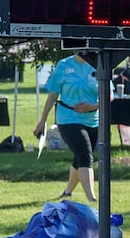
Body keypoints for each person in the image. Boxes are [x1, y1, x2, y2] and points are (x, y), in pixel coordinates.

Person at [34, 50, 98, 203]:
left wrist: (93, 106)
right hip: (67, 118)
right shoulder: (63, 65)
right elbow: (53, 95)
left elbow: (109, 94)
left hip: (93, 119)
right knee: (85, 155)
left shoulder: (98, 63)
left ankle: (68, 192)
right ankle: (92, 198)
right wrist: (43, 120)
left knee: (79, 158)